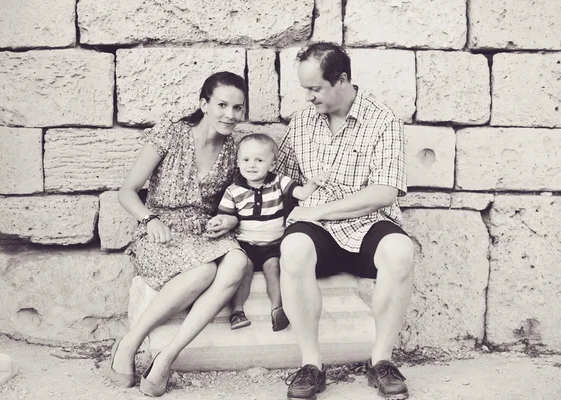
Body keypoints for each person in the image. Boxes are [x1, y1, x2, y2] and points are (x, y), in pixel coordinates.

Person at [276, 42, 415, 400]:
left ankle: (381, 361)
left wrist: (320, 209)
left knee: (400, 251)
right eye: (304, 88)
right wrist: (294, 199)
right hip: (316, 227)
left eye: (315, 88)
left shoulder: (382, 119)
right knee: (292, 248)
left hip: (366, 221)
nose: (307, 97)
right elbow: (283, 178)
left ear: (341, 80)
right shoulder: (302, 121)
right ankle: (311, 365)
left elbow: (384, 192)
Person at [108, 71, 249, 397]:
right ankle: (129, 343)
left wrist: (228, 221)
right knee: (203, 271)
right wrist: (150, 219)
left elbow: (239, 201)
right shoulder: (170, 134)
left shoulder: (235, 149)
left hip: (204, 233)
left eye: (238, 108)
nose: (230, 115)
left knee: (237, 262)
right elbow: (127, 192)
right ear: (204, 104)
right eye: (222, 105)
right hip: (161, 233)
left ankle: (167, 356)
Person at [208, 133, 328, 331]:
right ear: (238, 162)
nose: (251, 165)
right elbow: (228, 217)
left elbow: (301, 194)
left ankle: (278, 309)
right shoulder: (233, 190)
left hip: (273, 245)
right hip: (245, 245)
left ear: (271, 165)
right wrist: (220, 222)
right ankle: (237, 311)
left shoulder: (278, 182)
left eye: (259, 160)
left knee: (274, 270)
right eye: (246, 160)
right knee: (243, 272)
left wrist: (313, 183)